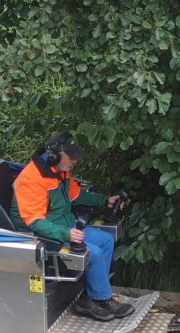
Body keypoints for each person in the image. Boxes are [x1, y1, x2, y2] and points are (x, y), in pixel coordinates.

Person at [12, 132, 134, 321]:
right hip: (46, 234)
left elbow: (76, 195)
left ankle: (89, 297)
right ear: (54, 154)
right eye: (71, 156)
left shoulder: (60, 171)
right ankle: (103, 298)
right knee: (93, 252)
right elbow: (34, 222)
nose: (75, 161)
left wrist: (105, 201)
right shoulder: (30, 179)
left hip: (65, 225)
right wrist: (66, 233)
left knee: (106, 240)